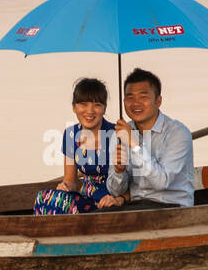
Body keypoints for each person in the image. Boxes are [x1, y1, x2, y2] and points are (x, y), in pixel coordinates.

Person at [105, 68, 195, 209]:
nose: (136, 103)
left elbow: (161, 182)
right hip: (136, 207)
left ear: (158, 101)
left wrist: (134, 144)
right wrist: (119, 171)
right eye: (130, 97)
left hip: (172, 207)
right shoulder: (120, 134)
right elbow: (115, 191)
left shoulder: (178, 133)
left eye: (143, 97)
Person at [33, 78, 125, 214]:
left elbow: (133, 182)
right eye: (83, 104)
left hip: (110, 200)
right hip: (85, 197)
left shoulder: (118, 134)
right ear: (74, 107)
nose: (90, 111)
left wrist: (119, 199)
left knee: (63, 204)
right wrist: (66, 186)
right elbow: (71, 180)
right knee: (43, 197)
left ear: (104, 108)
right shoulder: (71, 134)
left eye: (97, 105)